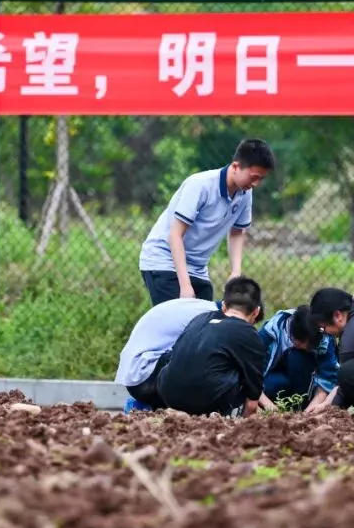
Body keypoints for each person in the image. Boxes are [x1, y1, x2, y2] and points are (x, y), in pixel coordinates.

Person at [138, 139, 275, 306]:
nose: (256, 184)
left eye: (261, 179)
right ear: (235, 167)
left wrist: (235, 272)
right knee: (179, 324)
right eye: (253, 177)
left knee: (203, 325)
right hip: (164, 261)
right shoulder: (200, 185)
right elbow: (175, 235)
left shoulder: (245, 193)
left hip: (198, 268)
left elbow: (237, 232)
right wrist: (185, 286)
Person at [156, 276, 266, 417]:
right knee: (245, 375)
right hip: (208, 401)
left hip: (169, 395)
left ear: (224, 306)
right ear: (256, 312)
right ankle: (223, 414)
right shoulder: (249, 334)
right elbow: (252, 402)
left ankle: (179, 411)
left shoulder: (199, 319)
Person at [114, 296, 220, 414]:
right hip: (144, 377)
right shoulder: (211, 317)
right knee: (207, 362)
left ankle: (144, 406)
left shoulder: (205, 308)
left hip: (137, 375)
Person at [256, 304, 339, 413]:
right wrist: (272, 410)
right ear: (292, 336)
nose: (307, 348)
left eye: (310, 347)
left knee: (297, 357)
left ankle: (300, 406)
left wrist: (308, 413)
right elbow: (251, 375)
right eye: (301, 344)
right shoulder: (271, 331)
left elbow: (327, 379)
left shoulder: (324, 337)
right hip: (276, 379)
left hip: (305, 382)